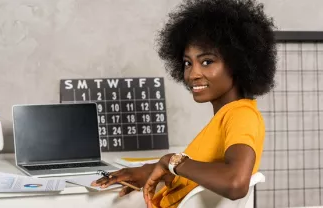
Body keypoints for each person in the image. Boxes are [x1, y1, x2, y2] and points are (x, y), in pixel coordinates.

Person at [91, 0, 276, 207]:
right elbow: (202, 171)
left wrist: (171, 161)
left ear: (238, 64)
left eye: (207, 62)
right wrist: (154, 169)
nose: (193, 74)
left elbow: (235, 182)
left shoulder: (241, 115)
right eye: (188, 63)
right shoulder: (226, 117)